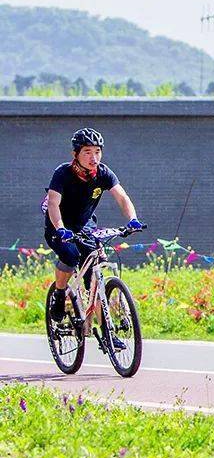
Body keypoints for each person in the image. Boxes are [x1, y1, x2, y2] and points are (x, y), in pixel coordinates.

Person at [44, 128, 144, 323]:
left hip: (86, 227)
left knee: (94, 280)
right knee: (71, 255)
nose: (94, 157)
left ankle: (107, 331)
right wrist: (61, 228)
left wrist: (133, 219)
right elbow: (53, 203)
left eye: (97, 151)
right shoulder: (62, 173)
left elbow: (122, 197)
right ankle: (59, 293)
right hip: (59, 226)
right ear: (76, 154)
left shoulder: (103, 173)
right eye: (87, 152)